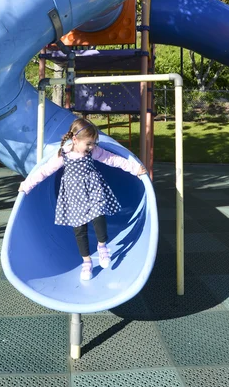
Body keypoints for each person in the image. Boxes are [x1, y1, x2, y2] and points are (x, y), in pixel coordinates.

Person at [19, 117, 147, 281]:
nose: (92, 146)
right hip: (74, 197)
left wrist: (135, 168)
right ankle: (86, 261)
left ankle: (102, 246)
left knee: (99, 215)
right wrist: (27, 184)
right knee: (80, 230)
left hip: (93, 190)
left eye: (93, 143)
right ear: (75, 140)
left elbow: (112, 159)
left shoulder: (93, 151)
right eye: (88, 143)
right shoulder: (63, 155)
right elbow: (45, 171)